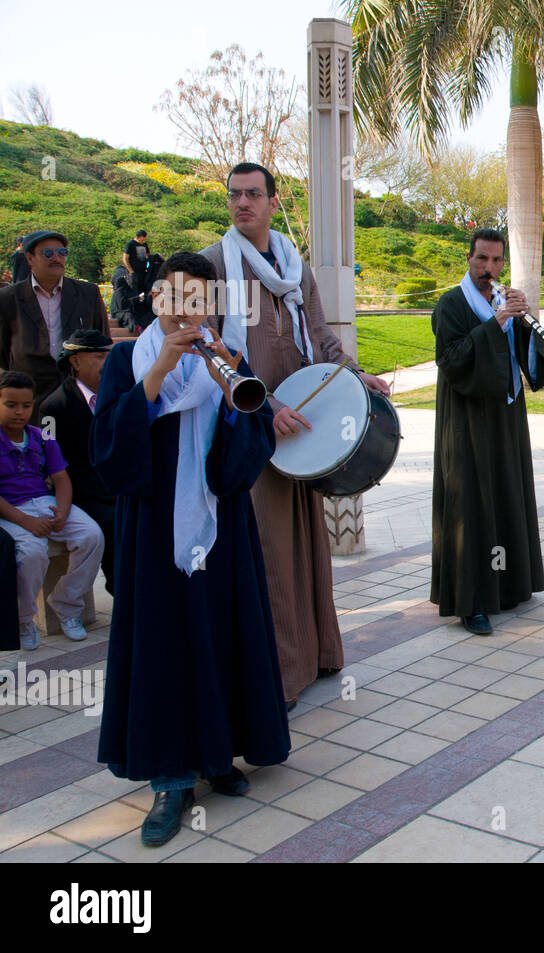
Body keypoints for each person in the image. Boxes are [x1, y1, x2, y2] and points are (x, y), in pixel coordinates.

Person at [90, 251, 290, 846]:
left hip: (219, 523)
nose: (186, 312)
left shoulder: (227, 359)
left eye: (198, 302)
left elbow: (252, 449)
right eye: (174, 299)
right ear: (155, 300)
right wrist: (158, 376)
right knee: (164, 642)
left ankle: (215, 752)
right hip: (153, 529)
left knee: (219, 631)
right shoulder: (128, 358)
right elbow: (109, 450)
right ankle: (170, 775)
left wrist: (233, 409)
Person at [200, 162, 391, 708]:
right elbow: (211, 352)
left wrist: (354, 373)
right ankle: (279, 674)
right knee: (268, 548)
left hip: (305, 428)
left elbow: (322, 338)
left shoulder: (293, 265)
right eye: (235, 195)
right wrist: (267, 405)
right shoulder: (215, 264)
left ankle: (318, 654)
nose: (243, 203)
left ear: (272, 199)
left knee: (308, 541)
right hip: (252, 426)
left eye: (253, 194)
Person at [430, 229, 544, 636]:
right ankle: (471, 600)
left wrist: (524, 321)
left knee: (504, 493)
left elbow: (524, 358)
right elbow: (450, 360)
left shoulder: (503, 299)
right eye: (482, 259)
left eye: (497, 261)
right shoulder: (450, 303)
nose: (490, 269)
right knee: (471, 505)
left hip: (505, 416)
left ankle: (506, 585)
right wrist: (496, 323)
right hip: (465, 418)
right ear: (469, 258)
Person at [0, 369, 104, 651]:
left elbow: (61, 479)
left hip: (46, 503)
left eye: (26, 405)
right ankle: (23, 620)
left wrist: (62, 509)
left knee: (92, 536)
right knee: (32, 553)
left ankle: (67, 603)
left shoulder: (41, 437)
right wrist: (26, 521)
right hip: (10, 512)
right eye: (11, 405)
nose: (19, 412)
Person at [37, 330, 117, 595]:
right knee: (114, 525)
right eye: (98, 356)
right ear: (75, 362)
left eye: (109, 355)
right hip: (84, 493)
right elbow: (54, 465)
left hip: (121, 485)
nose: (106, 362)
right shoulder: (53, 407)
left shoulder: (119, 395)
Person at [0, 231, 112, 404]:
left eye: (62, 253)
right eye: (48, 253)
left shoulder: (87, 294)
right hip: (31, 396)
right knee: (43, 431)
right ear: (30, 259)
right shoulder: (8, 298)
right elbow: (3, 353)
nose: (56, 258)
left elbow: (102, 342)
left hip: (77, 393)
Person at [124, 229, 151, 295]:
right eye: (142, 240)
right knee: (134, 291)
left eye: (144, 240)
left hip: (143, 271)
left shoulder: (144, 244)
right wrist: (131, 271)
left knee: (143, 291)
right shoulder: (130, 244)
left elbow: (148, 256)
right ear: (138, 237)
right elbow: (125, 258)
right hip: (134, 272)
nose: (143, 241)